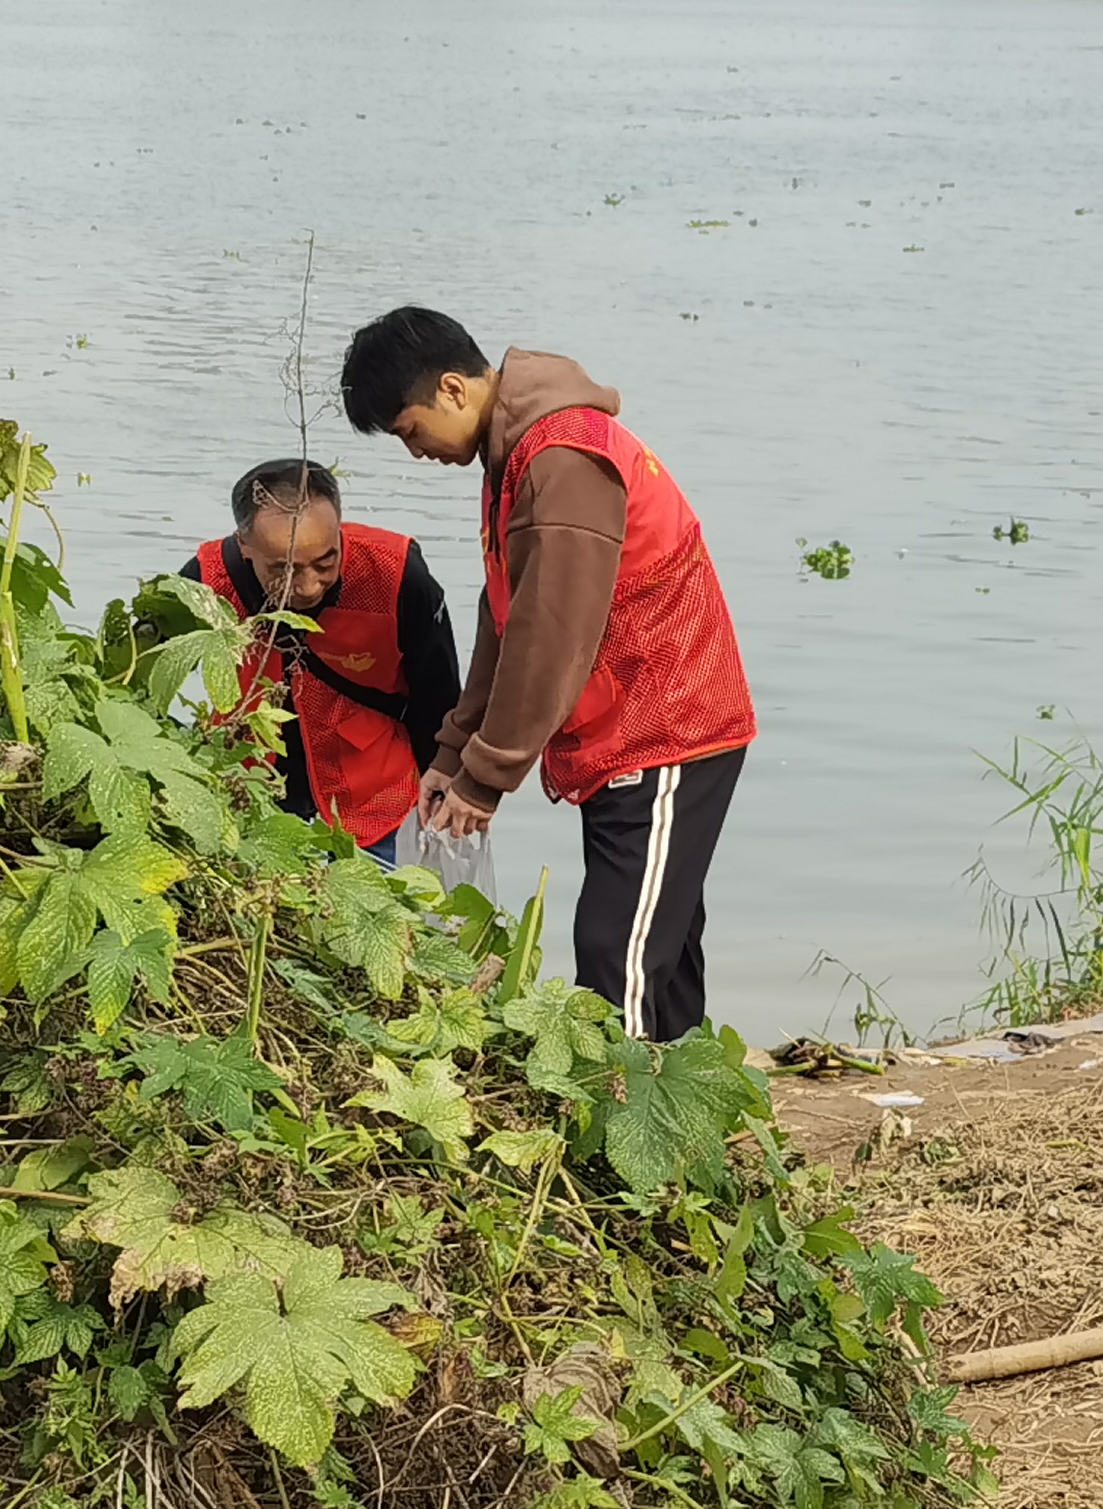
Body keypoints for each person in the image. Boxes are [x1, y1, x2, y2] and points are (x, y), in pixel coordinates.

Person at [338, 306, 756, 1041]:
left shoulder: (560, 458)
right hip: (625, 730)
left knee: (615, 950)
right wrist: (453, 752)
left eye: (409, 431)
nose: (415, 453)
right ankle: (687, 1132)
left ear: (452, 390)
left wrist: (485, 778)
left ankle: (621, 1132)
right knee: (662, 945)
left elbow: (552, 635)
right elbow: (505, 614)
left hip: (668, 724)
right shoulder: (514, 454)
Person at [186, 458, 461, 863]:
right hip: (245, 800)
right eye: (283, 569)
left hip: (376, 806)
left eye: (325, 561)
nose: (309, 585)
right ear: (244, 544)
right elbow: (143, 674)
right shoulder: (207, 582)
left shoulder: (396, 574)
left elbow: (438, 695)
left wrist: (446, 788)